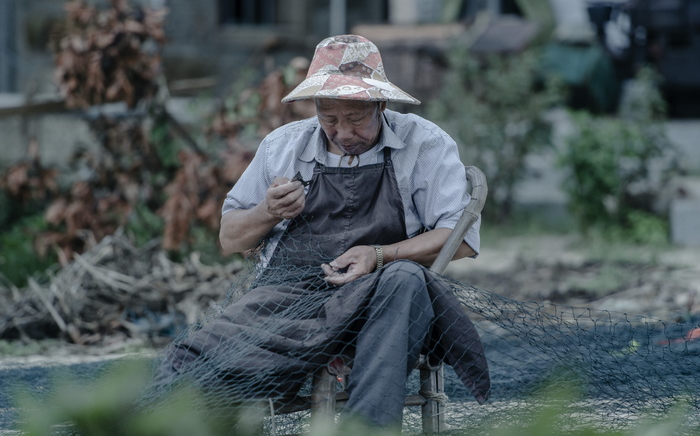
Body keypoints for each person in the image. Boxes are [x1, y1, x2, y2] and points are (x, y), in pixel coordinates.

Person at [156, 35, 490, 428]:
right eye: (329, 119)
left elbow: (461, 240)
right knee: (194, 354)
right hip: (290, 299)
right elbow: (230, 239)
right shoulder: (283, 145)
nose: (343, 133)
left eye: (355, 119)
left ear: (381, 105)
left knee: (406, 278)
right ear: (314, 108)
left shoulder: (425, 143)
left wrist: (380, 255)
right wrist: (267, 211)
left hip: (383, 304)